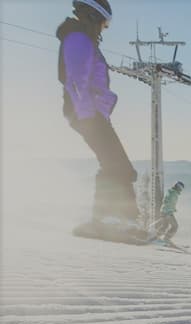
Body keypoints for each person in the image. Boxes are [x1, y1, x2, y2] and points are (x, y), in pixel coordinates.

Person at [57, 0, 143, 238]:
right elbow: (75, 79)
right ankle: (114, 221)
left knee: (116, 165)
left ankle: (114, 220)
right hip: (87, 114)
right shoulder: (78, 39)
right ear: (93, 17)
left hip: (92, 114)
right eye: (105, 23)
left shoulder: (82, 38)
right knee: (118, 166)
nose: (105, 29)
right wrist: (89, 117)